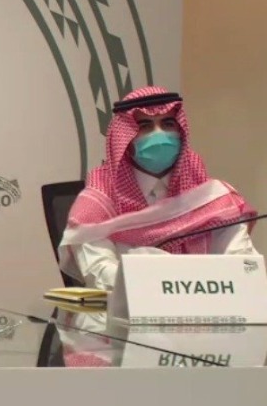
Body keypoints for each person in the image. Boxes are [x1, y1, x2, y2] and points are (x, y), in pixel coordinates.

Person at [58, 86, 258, 290]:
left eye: (168, 124)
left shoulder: (212, 198)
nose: (159, 134)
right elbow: (101, 273)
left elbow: (243, 264)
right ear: (125, 139)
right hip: (129, 307)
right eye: (145, 126)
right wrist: (169, 285)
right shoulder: (97, 202)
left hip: (206, 305)